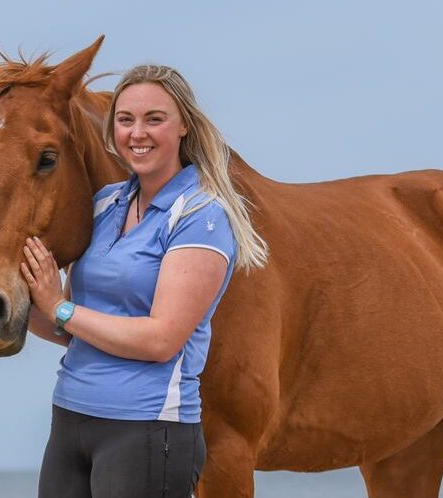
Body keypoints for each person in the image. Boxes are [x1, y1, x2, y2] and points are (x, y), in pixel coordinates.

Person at [16, 64, 269, 498]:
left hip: (148, 431)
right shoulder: (104, 205)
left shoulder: (200, 216)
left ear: (184, 125)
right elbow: (77, 331)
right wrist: (18, 300)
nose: (138, 133)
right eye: (126, 119)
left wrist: (60, 306)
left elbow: (161, 340)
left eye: (155, 119)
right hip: (70, 422)